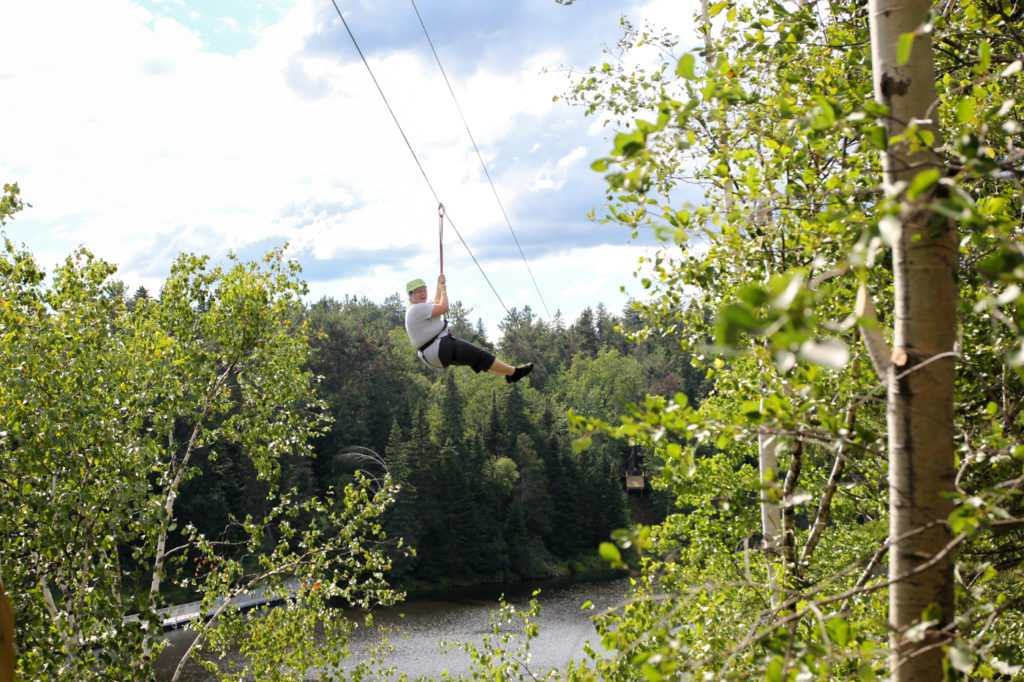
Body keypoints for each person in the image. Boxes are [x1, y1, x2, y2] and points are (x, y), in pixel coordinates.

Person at [405, 274, 533, 384]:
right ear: (410, 295)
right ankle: (515, 372)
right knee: (481, 355)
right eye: (419, 292)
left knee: (476, 361)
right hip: (439, 349)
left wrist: (439, 286)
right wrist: (443, 290)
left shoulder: (413, 308)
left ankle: (508, 375)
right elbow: (444, 307)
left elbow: (437, 303)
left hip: (432, 355)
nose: (423, 294)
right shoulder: (418, 309)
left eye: (424, 290)